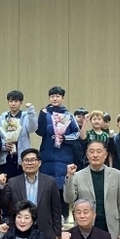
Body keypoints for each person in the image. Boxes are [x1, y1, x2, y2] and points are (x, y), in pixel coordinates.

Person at [0, 148, 61, 239]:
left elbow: (56, 209)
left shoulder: (50, 182)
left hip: (45, 231)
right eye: (26, 160)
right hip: (19, 230)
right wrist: (2, 186)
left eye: (32, 160)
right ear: (21, 163)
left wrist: (57, 234)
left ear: (39, 163)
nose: (29, 163)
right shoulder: (13, 182)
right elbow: (3, 204)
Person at [36, 86, 80, 223]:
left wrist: (64, 138)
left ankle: (64, 214)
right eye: (52, 96)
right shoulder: (45, 113)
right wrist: (41, 116)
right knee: (47, 185)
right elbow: (40, 132)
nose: (55, 98)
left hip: (64, 155)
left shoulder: (69, 116)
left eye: (57, 96)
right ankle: (48, 215)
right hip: (47, 154)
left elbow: (76, 134)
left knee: (63, 185)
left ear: (63, 98)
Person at [0, 90, 38, 221]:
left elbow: (33, 128)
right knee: (5, 186)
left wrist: (31, 111)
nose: (13, 104)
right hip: (6, 158)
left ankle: (22, 214)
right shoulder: (2, 117)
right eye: (11, 101)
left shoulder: (25, 116)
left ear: (21, 102)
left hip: (21, 159)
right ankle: (5, 215)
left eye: (16, 101)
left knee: (20, 187)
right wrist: (4, 145)